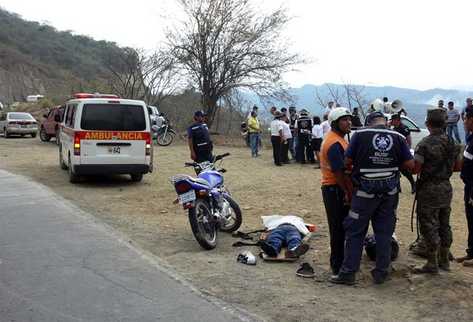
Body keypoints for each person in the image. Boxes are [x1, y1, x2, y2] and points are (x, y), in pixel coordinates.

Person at [330, 111, 414, 285]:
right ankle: (381, 273)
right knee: (384, 234)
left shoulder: (359, 135)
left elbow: (346, 163)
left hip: (363, 195)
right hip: (389, 195)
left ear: (369, 122)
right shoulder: (398, 136)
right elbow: (409, 165)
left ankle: (348, 274)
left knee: (355, 232)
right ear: (385, 122)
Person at [412, 108, 460, 274]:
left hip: (429, 189)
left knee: (428, 225)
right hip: (445, 187)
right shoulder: (452, 142)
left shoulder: (424, 144)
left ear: (427, 123)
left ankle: (432, 263)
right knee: (444, 224)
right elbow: (458, 166)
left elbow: (415, 169)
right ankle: (444, 260)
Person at [320, 107, 353, 275]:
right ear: (335, 123)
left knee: (343, 228)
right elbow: (338, 172)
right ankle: (337, 266)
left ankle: (342, 262)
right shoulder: (334, 143)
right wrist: (347, 192)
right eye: (344, 120)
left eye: (349, 119)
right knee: (338, 229)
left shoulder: (340, 139)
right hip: (335, 189)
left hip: (337, 188)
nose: (349, 122)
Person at [457, 107, 473, 265]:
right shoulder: (471, 138)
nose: (464, 121)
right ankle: (471, 252)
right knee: (471, 219)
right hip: (469, 186)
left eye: (466, 118)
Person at [391, 113, 416, 193]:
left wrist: (407, 151)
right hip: (395, 152)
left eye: (393, 120)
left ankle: (413, 184)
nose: (392, 122)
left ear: (397, 120)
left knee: (404, 170)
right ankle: (398, 187)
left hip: (402, 152)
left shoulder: (404, 128)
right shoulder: (393, 129)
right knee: (395, 170)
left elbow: (408, 140)